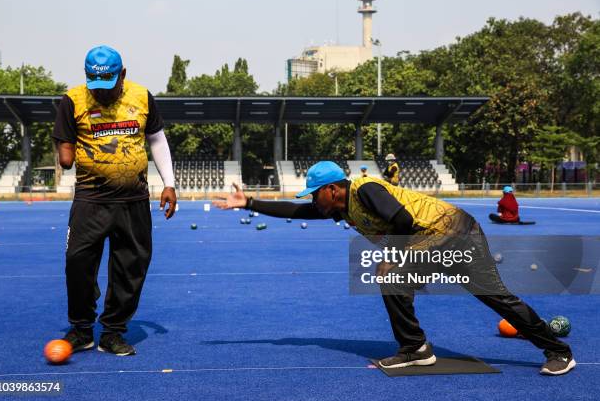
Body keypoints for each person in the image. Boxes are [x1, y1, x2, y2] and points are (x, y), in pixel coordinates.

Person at [213, 161, 575, 376]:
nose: (311, 199)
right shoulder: (340, 206)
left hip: (451, 232)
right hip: (449, 234)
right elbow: (297, 212)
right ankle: (417, 347)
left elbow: (401, 219)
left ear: (333, 189)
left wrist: (391, 254)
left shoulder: (365, 189)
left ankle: (557, 352)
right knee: (493, 297)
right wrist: (250, 202)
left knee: (395, 275)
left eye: (314, 193)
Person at [52, 45, 177, 356]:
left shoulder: (142, 96)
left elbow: (157, 140)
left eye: (109, 84)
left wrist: (169, 184)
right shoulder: (73, 100)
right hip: (90, 200)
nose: (102, 93)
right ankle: (81, 329)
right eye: (96, 85)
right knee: (77, 262)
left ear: (123, 74)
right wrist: (63, 152)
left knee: (130, 266)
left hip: (133, 199)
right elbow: (64, 145)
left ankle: (113, 332)